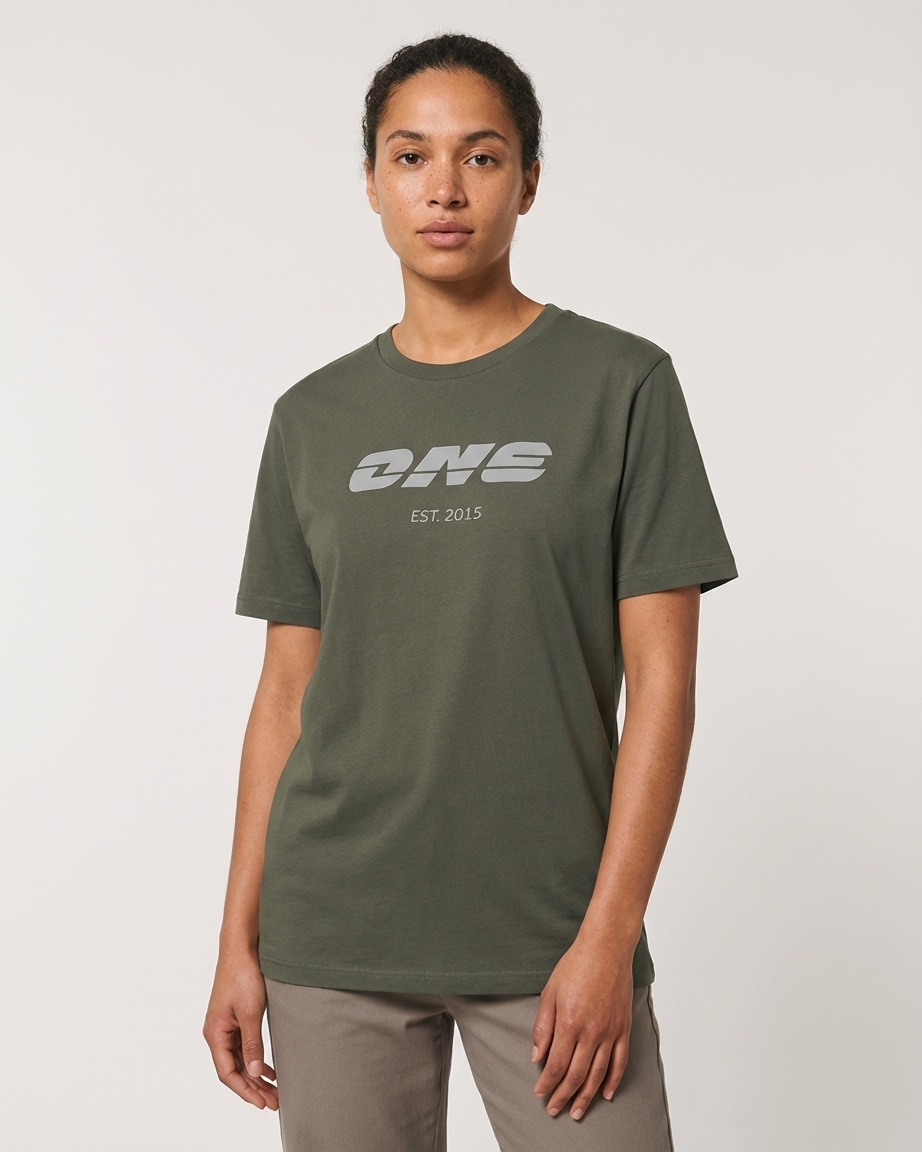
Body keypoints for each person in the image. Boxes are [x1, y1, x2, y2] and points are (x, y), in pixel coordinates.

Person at [203, 32, 737, 1152]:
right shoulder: (311, 419)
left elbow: (664, 683)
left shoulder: (622, 385)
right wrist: (236, 941)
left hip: (550, 934)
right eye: (410, 156)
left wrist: (609, 936)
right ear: (371, 182)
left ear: (528, 181)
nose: (444, 188)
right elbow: (285, 698)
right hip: (335, 932)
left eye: (481, 156)